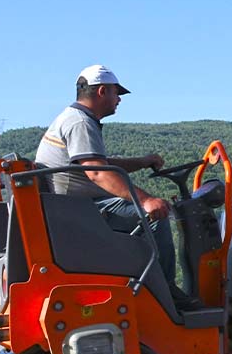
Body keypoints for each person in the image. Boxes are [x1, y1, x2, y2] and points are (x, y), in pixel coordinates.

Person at [34, 64, 185, 303]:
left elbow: (100, 163)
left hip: (71, 208)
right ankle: (167, 296)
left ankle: (151, 288)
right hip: (82, 211)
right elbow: (97, 173)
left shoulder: (73, 118)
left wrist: (142, 162)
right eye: (117, 93)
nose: (119, 100)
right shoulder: (80, 122)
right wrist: (146, 201)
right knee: (157, 216)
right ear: (102, 91)